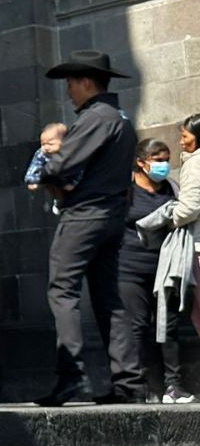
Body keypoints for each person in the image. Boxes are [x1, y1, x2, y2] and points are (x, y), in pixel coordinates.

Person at [35, 49, 140, 406]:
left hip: (84, 215)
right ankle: (127, 381)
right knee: (109, 299)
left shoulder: (97, 117)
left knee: (62, 292)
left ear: (86, 82)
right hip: (112, 216)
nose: (67, 90)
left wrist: (46, 170)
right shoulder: (122, 118)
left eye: (70, 82)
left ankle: (71, 378)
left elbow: (59, 165)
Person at [116, 138, 191, 403]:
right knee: (138, 325)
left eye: (166, 160)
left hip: (165, 267)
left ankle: (173, 385)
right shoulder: (126, 190)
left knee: (168, 326)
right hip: (130, 267)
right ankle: (143, 386)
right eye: (158, 160)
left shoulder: (171, 188)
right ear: (141, 162)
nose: (164, 165)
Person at [174, 115, 200, 343]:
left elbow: (188, 209)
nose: (181, 142)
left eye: (185, 136)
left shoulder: (194, 164)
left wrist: (169, 217)